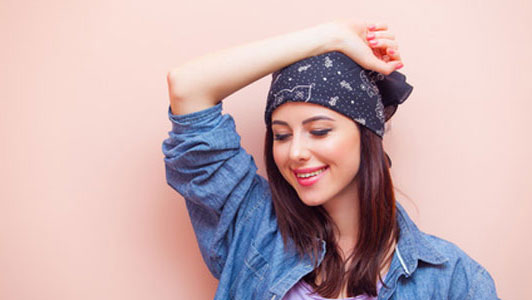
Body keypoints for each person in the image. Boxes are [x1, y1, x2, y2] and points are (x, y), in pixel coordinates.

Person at [162, 19, 499, 300]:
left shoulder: (455, 280)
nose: (295, 153)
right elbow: (188, 86)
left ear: (366, 136)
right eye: (281, 135)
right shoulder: (253, 228)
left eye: (320, 131)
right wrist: (330, 36)